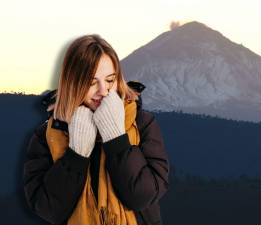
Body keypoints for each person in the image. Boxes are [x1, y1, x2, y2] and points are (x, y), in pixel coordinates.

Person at [22, 34, 169, 225]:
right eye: (92, 82)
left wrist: (117, 138)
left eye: (110, 80)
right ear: (73, 83)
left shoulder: (142, 123)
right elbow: (48, 209)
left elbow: (143, 197)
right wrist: (76, 154)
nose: (103, 90)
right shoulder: (47, 136)